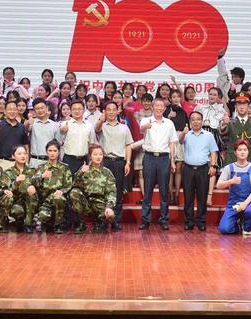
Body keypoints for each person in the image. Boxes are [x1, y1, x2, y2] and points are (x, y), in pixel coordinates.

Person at [138, 98, 177, 230]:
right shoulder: (146, 120)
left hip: (164, 158)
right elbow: (141, 130)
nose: (159, 108)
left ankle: (164, 219)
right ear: (152, 107)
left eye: (161, 106)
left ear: (164, 109)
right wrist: (146, 127)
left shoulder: (169, 123)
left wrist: (172, 160)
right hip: (149, 157)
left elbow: (172, 143)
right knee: (148, 191)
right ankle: (145, 220)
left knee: (164, 191)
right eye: (157, 106)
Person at [94, 101, 133, 230]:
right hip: (104, 161)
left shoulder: (124, 127)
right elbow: (96, 129)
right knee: (102, 190)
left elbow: (128, 145)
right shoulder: (102, 126)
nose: (111, 112)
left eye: (113, 109)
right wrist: (101, 120)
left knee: (118, 191)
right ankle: (102, 220)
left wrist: (128, 162)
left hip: (119, 162)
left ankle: (115, 220)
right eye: (108, 110)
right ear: (105, 111)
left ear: (118, 111)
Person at [179, 111, 218, 231]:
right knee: (188, 197)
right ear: (190, 122)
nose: (196, 121)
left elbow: (213, 152)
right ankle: (189, 221)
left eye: (198, 119)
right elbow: (180, 141)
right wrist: (183, 133)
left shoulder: (209, 135)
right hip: (188, 169)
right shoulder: (186, 134)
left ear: (202, 121)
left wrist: (213, 165)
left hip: (203, 169)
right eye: (193, 119)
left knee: (202, 197)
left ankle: (201, 221)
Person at [216, 140, 251, 236]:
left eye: (245, 150)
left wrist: (245, 204)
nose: (242, 152)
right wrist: (231, 181)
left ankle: (246, 226)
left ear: (248, 152)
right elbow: (218, 185)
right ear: (235, 152)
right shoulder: (229, 168)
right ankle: (236, 224)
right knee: (224, 229)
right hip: (234, 203)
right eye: (240, 150)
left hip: (249, 202)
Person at [69, 144, 118, 234]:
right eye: (95, 154)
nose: (98, 157)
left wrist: (109, 207)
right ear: (90, 156)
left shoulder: (107, 172)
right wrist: (80, 173)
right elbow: (74, 185)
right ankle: (81, 223)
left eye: (100, 154)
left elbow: (112, 192)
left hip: (100, 204)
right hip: (87, 204)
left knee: (110, 215)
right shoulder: (84, 170)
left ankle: (101, 221)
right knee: (74, 192)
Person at [32, 140, 71, 234]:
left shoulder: (64, 168)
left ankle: (58, 225)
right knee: (41, 217)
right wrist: (41, 176)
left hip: (59, 200)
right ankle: (48, 221)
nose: (52, 153)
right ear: (46, 152)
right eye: (50, 151)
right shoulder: (41, 167)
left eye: (55, 151)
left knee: (58, 198)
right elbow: (33, 181)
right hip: (45, 201)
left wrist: (62, 191)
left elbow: (69, 185)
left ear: (59, 152)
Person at [0, 146, 38, 232]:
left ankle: (28, 224)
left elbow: (40, 185)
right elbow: (4, 190)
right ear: (13, 156)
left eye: (25, 153)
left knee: (32, 193)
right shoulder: (8, 172)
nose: (23, 156)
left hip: (29, 202)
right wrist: (16, 182)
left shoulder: (33, 171)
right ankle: (3, 223)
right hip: (15, 203)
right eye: (19, 154)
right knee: (17, 210)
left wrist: (34, 186)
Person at [221, 93, 251, 166]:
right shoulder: (230, 122)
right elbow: (222, 133)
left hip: (249, 161)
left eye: (244, 104)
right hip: (232, 160)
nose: (242, 107)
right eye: (239, 104)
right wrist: (224, 124)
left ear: (248, 106)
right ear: (235, 107)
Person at [58, 100, 97, 175]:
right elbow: (59, 141)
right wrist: (61, 131)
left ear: (84, 110)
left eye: (79, 109)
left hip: (84, 160)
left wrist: (91, 161)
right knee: (68, 181)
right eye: (74, 109)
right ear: (70, 111)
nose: (77, 111)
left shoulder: (89, 126)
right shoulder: (64, 124)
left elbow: (92, 144)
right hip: (68, 159)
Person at [165, 89, 189, 203]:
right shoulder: (166, 110)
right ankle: (170, 194)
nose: (176, 99)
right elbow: (162, 126)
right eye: (173, 97)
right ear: (170, 98)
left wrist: (184, 133)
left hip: (180, 139)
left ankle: (177, 194)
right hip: (169, 140)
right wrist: (169, 117)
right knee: (170, 169)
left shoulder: (183, 111)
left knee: (179, 168)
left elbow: (186, 127)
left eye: (178, 97)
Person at [26, 99, 60, 168]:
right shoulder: (32, 123)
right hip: (35, 161)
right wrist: (28, 123)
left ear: (47, 108)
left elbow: (58, 144)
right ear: (34, 111)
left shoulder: (54, 125)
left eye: (42, 108)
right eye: (37, 109)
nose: (40, 110)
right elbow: (27, 129)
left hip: (50, 162)